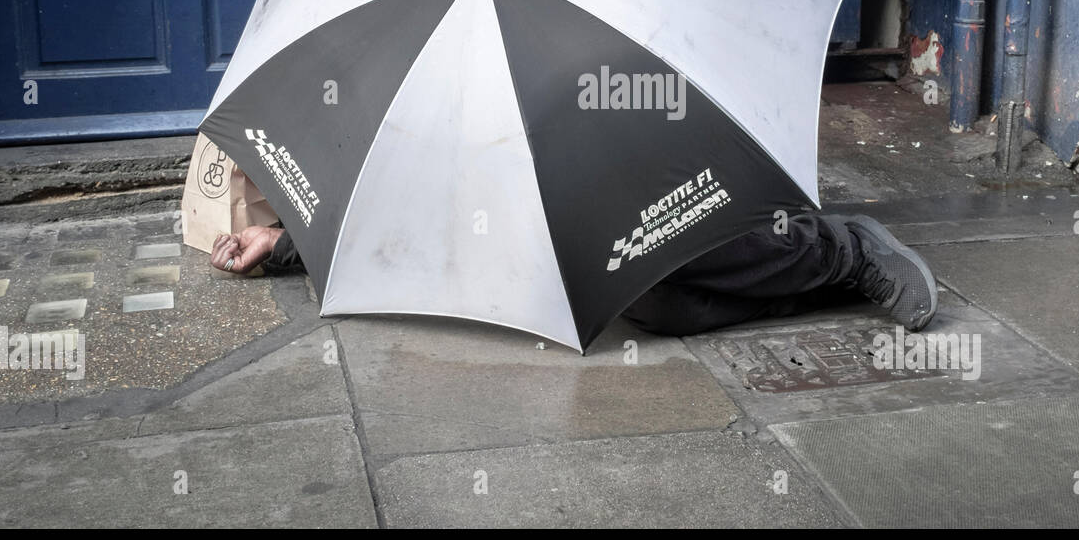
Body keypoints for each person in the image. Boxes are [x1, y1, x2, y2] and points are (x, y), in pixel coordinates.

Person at [211, 213, 938, 335]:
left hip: (653, 174)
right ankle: (827, 285)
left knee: (659, 247)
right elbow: (394, 204)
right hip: (558, 235)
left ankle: (846, 249)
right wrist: (283, 244)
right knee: (656, 309)